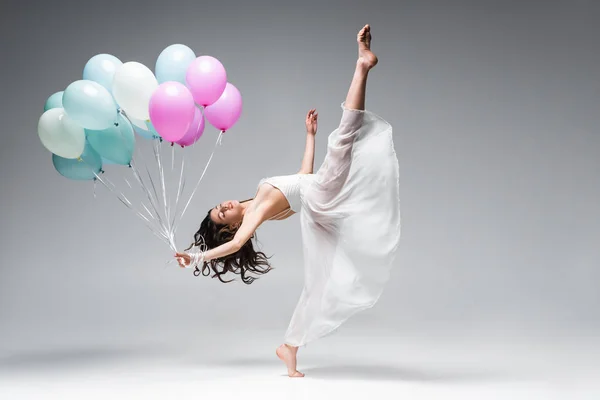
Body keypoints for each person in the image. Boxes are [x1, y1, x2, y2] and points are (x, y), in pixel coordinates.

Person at [176, 24, 401, 378]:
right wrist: (195, 256)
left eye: (218, 205)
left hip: (319, 197)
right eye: (223, 214)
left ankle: (289, 348)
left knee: (318, 284)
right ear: (234, 223)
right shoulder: (256, 213)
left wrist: (309, 137)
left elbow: (302, 179)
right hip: (323, 195)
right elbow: (236, 244)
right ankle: (362, 65)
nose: (224, 205)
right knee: (343, 138)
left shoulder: (262, 201)